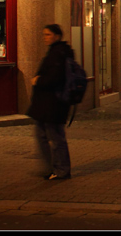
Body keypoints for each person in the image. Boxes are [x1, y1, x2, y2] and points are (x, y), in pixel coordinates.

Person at [26, 24, 74, 180]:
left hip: (53, 104)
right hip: (47, 104)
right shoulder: (58, 52)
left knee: (55, 137)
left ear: (57, 36)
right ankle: (52, 168)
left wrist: (38, 80)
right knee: (43, 135)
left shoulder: (58, 53)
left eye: (47, 34)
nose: (44, 37)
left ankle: (61, 170)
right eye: (44, 34)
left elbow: (55, 78)